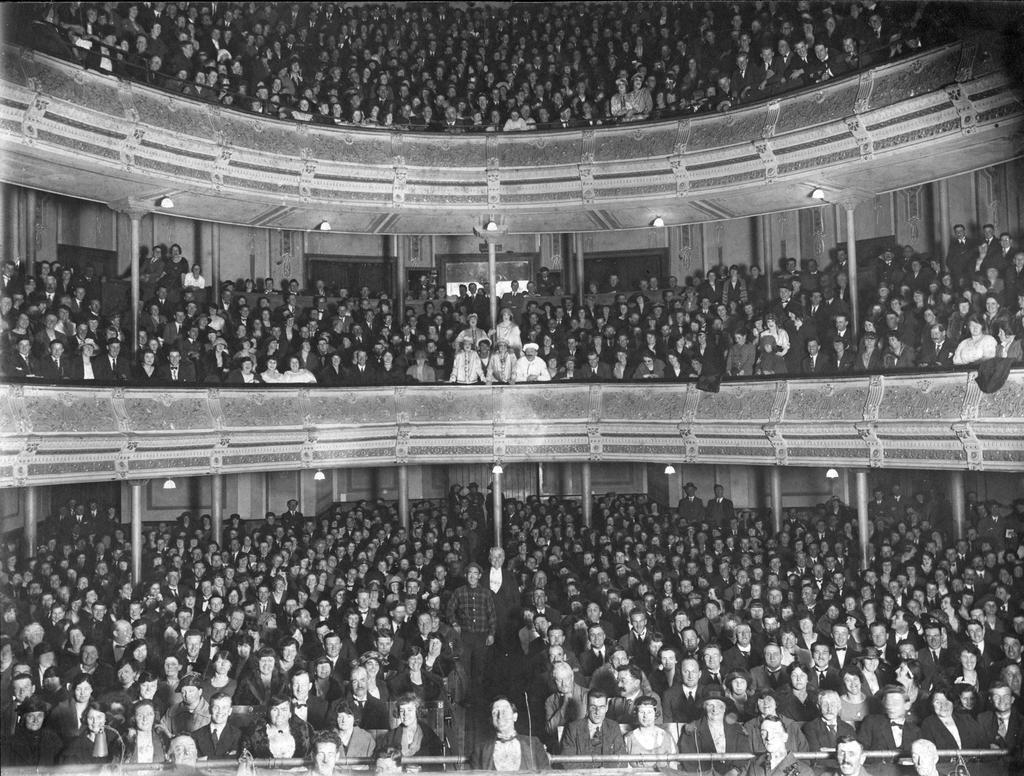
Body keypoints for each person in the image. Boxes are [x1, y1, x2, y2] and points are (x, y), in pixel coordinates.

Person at [446, 562, 495, 702]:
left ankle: (479, 699)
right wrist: (455, 623)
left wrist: (491, 634)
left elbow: (492, 615)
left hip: (481, 636)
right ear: (466, 575)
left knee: (480, 668)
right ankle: (466, 698)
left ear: (479, 576)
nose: (472, 576)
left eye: (475, 573)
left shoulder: (486, 593)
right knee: (465, 668)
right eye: (469, 573)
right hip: (465, 637)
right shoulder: (459, 592)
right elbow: (449, 610)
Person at [678, 687, 751, 776]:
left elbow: (744, 753)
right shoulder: (692, 730)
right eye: (710, 705)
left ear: (724, 708)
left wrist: (734, 771)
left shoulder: (737, 729)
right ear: (704, 708)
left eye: (719, 705)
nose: (714, 709)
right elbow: (688, 761)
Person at [471, 696, 551, 771]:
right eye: (495, 712)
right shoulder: (480, 750)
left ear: (515, 716)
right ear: (491, 720)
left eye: (504, 711)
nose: (500, 716)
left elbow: (547, 773)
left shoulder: (534, 744)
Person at [559, 690, 626, 766]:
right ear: (587, 707)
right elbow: (567, 762)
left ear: (607, 707)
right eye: (593, 707)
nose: (597, 712)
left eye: (602, 707)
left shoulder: (613, 727)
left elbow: (622, 761)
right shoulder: (573, 728)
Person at [375, 693, 443, 768]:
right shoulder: (390, 736)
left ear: (417, 711)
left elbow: (438, 765)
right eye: (402, 711)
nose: (405, 714)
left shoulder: (429, 735)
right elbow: (381, 761)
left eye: (409, 710)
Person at [741, 715, 814, 776]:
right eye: (764, 733)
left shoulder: (804, 772)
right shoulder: (754, 766)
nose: (768, 737)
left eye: (775, 732)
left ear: (785, 737)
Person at [1, 695, 62, 767]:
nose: (36, 720)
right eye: (31, 716)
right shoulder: (10, 744)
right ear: (23, 718)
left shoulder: (53, 740)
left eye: (39, 716)